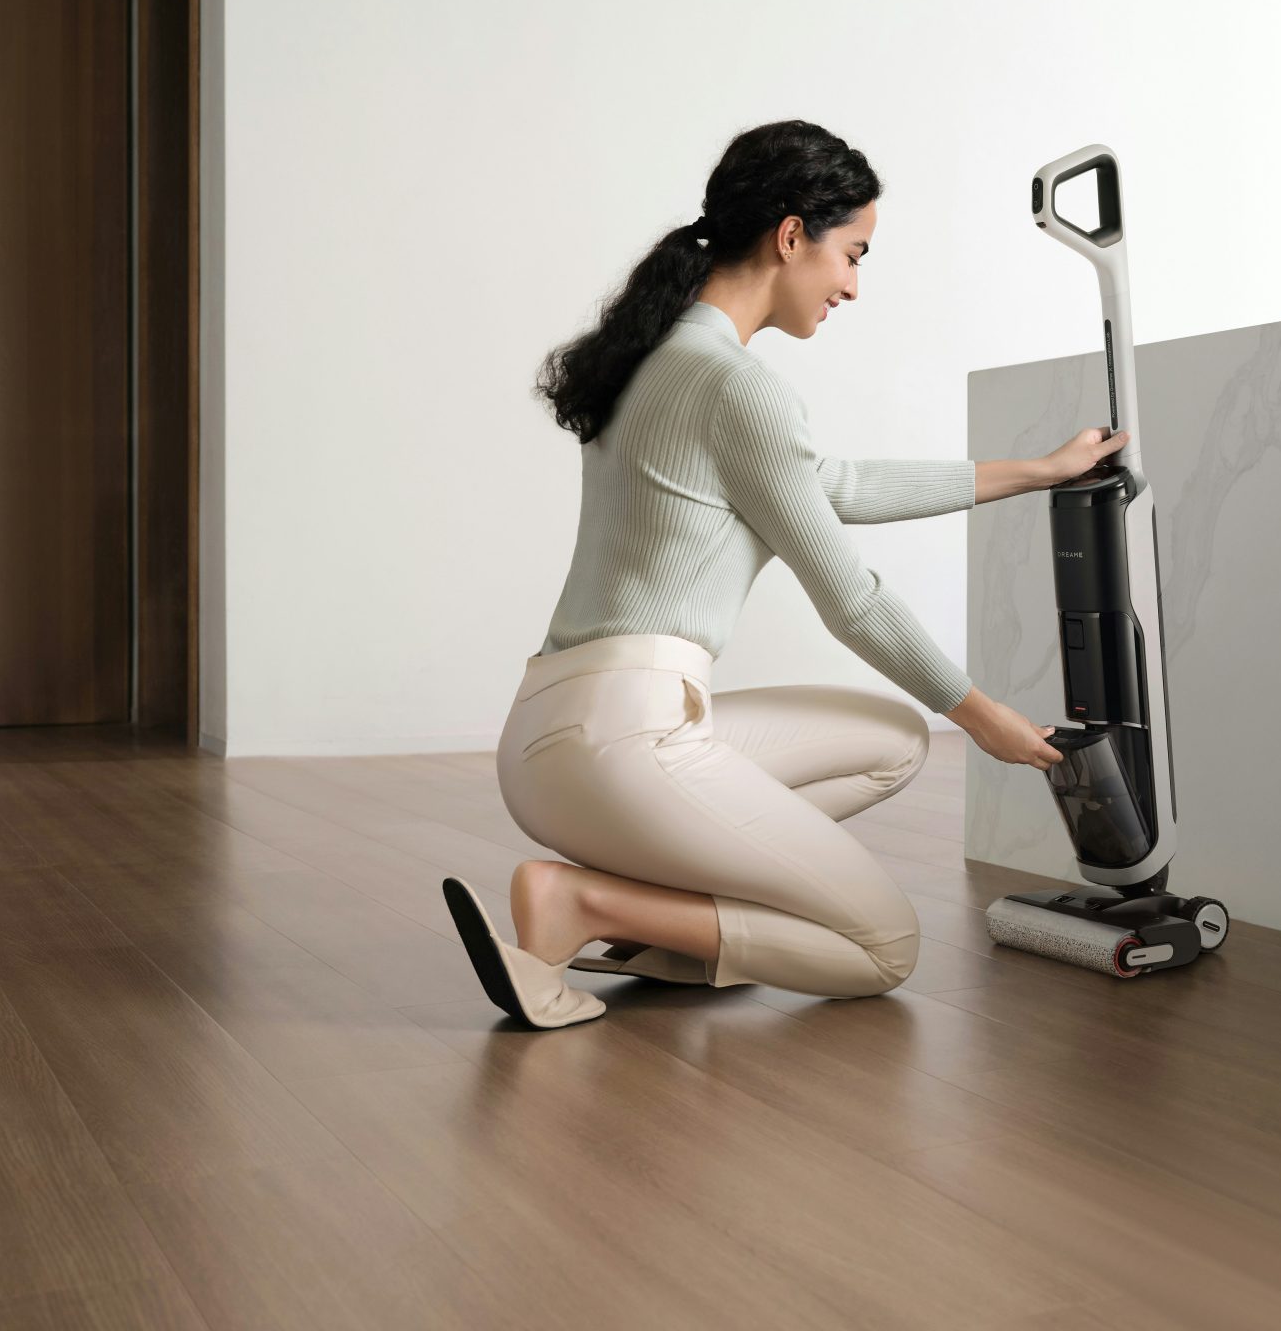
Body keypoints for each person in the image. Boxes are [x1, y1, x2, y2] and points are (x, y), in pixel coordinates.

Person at [442, 118, 1132, 1028]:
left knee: (892, 741)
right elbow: (852, 599)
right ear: (790, 235)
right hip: (623, 743)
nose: (853, 284)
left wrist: (1033, 472)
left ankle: (647, 917)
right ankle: (586, 904)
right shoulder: (734, 384)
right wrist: (982, 714)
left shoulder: (657, 365)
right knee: (884, 949)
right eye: (852, 253)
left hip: (553, 735)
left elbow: (827, 484)